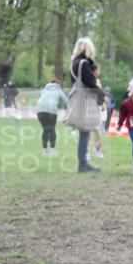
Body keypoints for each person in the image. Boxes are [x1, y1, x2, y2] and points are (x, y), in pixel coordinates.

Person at [68, 38, 103, 173]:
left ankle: (83, 162)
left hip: (77, 100)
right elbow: (90, 83)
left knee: (84, 132)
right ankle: (82, 163)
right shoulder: (84, 63)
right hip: (85, 100)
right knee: (85, 131)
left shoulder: (73, 63)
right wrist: (101, 95)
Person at [35, 79, 68, 154]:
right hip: (51, 110)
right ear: (58, 85)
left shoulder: (44, 90)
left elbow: (41, 96)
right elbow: (66, 103)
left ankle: (44, 150)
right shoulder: (59, 91)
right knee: (52, 129)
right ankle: (52, 150)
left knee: (45, 129)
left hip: (39, 110)